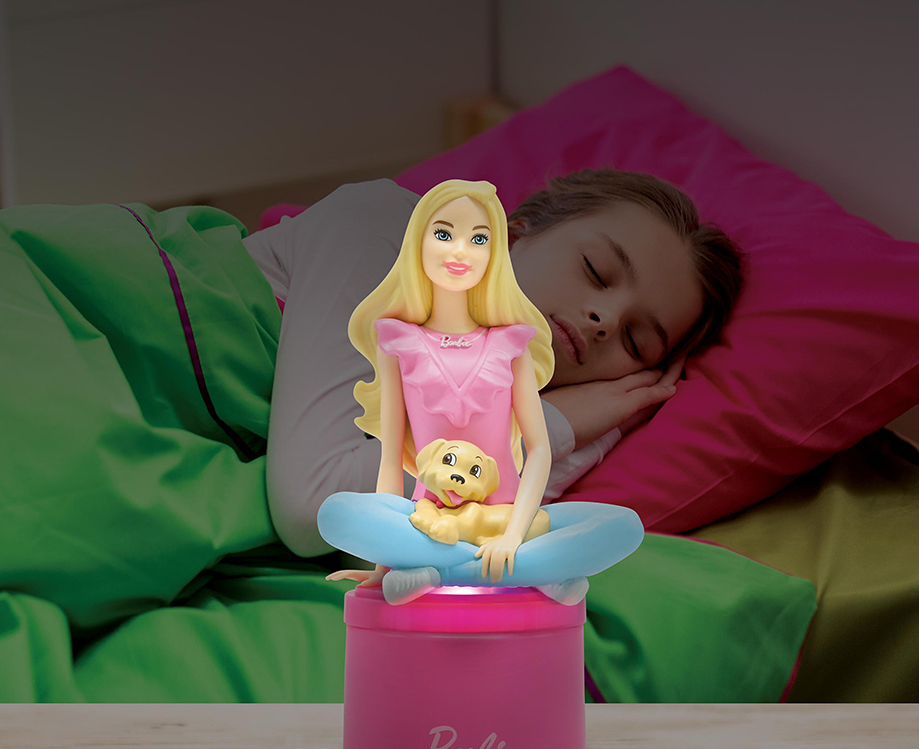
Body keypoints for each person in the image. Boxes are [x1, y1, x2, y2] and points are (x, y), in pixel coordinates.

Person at [243, 167, 746, 596]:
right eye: (595, 270)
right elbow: (311, 511)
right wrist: (557, 424)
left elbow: (405, 540)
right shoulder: (387, 230)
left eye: (636, 342)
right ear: (512, 234)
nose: (606, 320)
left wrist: (589, 430)